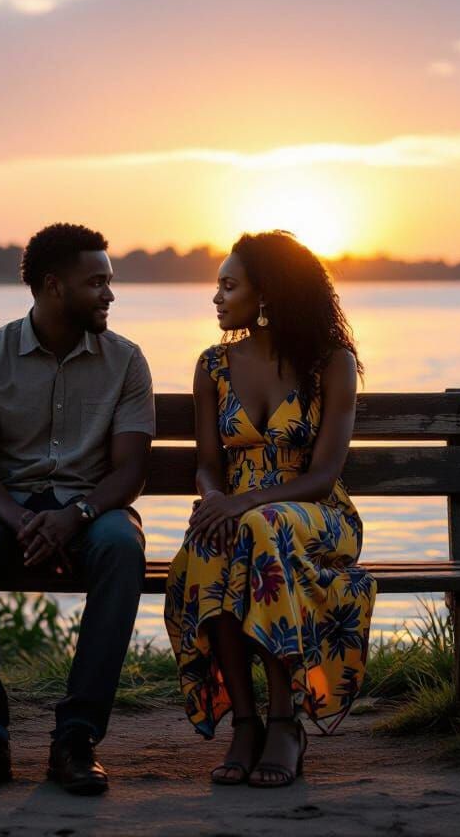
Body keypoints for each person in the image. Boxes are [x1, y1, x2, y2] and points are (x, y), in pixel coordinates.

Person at [0, 223, 154, 797]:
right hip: (5, 507)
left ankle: (76, 740)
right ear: (53, 286)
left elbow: (128, 473)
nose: (110, 294)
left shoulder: (126, 362)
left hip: (92, 508)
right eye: (97, 282)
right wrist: (24, 521)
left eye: (110, 282)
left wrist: (74, 515)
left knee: (121, 547)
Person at [164, 230, 377, 788]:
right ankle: (246, 721)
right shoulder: (212, 366)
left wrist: (244, 502)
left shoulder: (330, 364)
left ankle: (285, 722)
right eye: (217, 285)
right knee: (214, 542)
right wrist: (215, 498)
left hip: (314, 513)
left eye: (228, 285)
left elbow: (323, 474)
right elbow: (208, 463)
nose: (216, 296)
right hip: (239, 511)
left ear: (266, 294)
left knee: (259, 526)